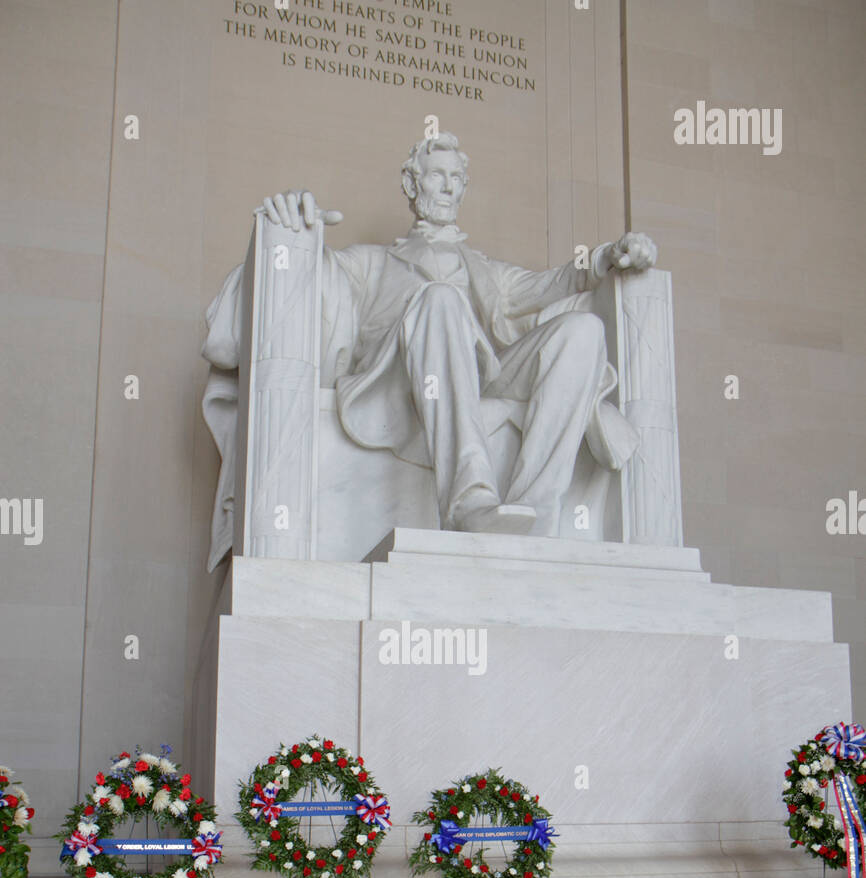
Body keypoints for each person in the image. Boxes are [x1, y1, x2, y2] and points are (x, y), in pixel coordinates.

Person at [203, 132, 657, 567]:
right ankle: (469, 499)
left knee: (584, 331)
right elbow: (319, 278)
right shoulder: (374, 263)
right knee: (440, 297)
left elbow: (552, 283)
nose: (447, 186)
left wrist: (604, 257)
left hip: (478, 375)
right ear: (411, 183)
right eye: (436, 174)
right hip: (403, 382)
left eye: (456, 178)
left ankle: (534, 511)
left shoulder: (486, 271)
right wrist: (295, 223)